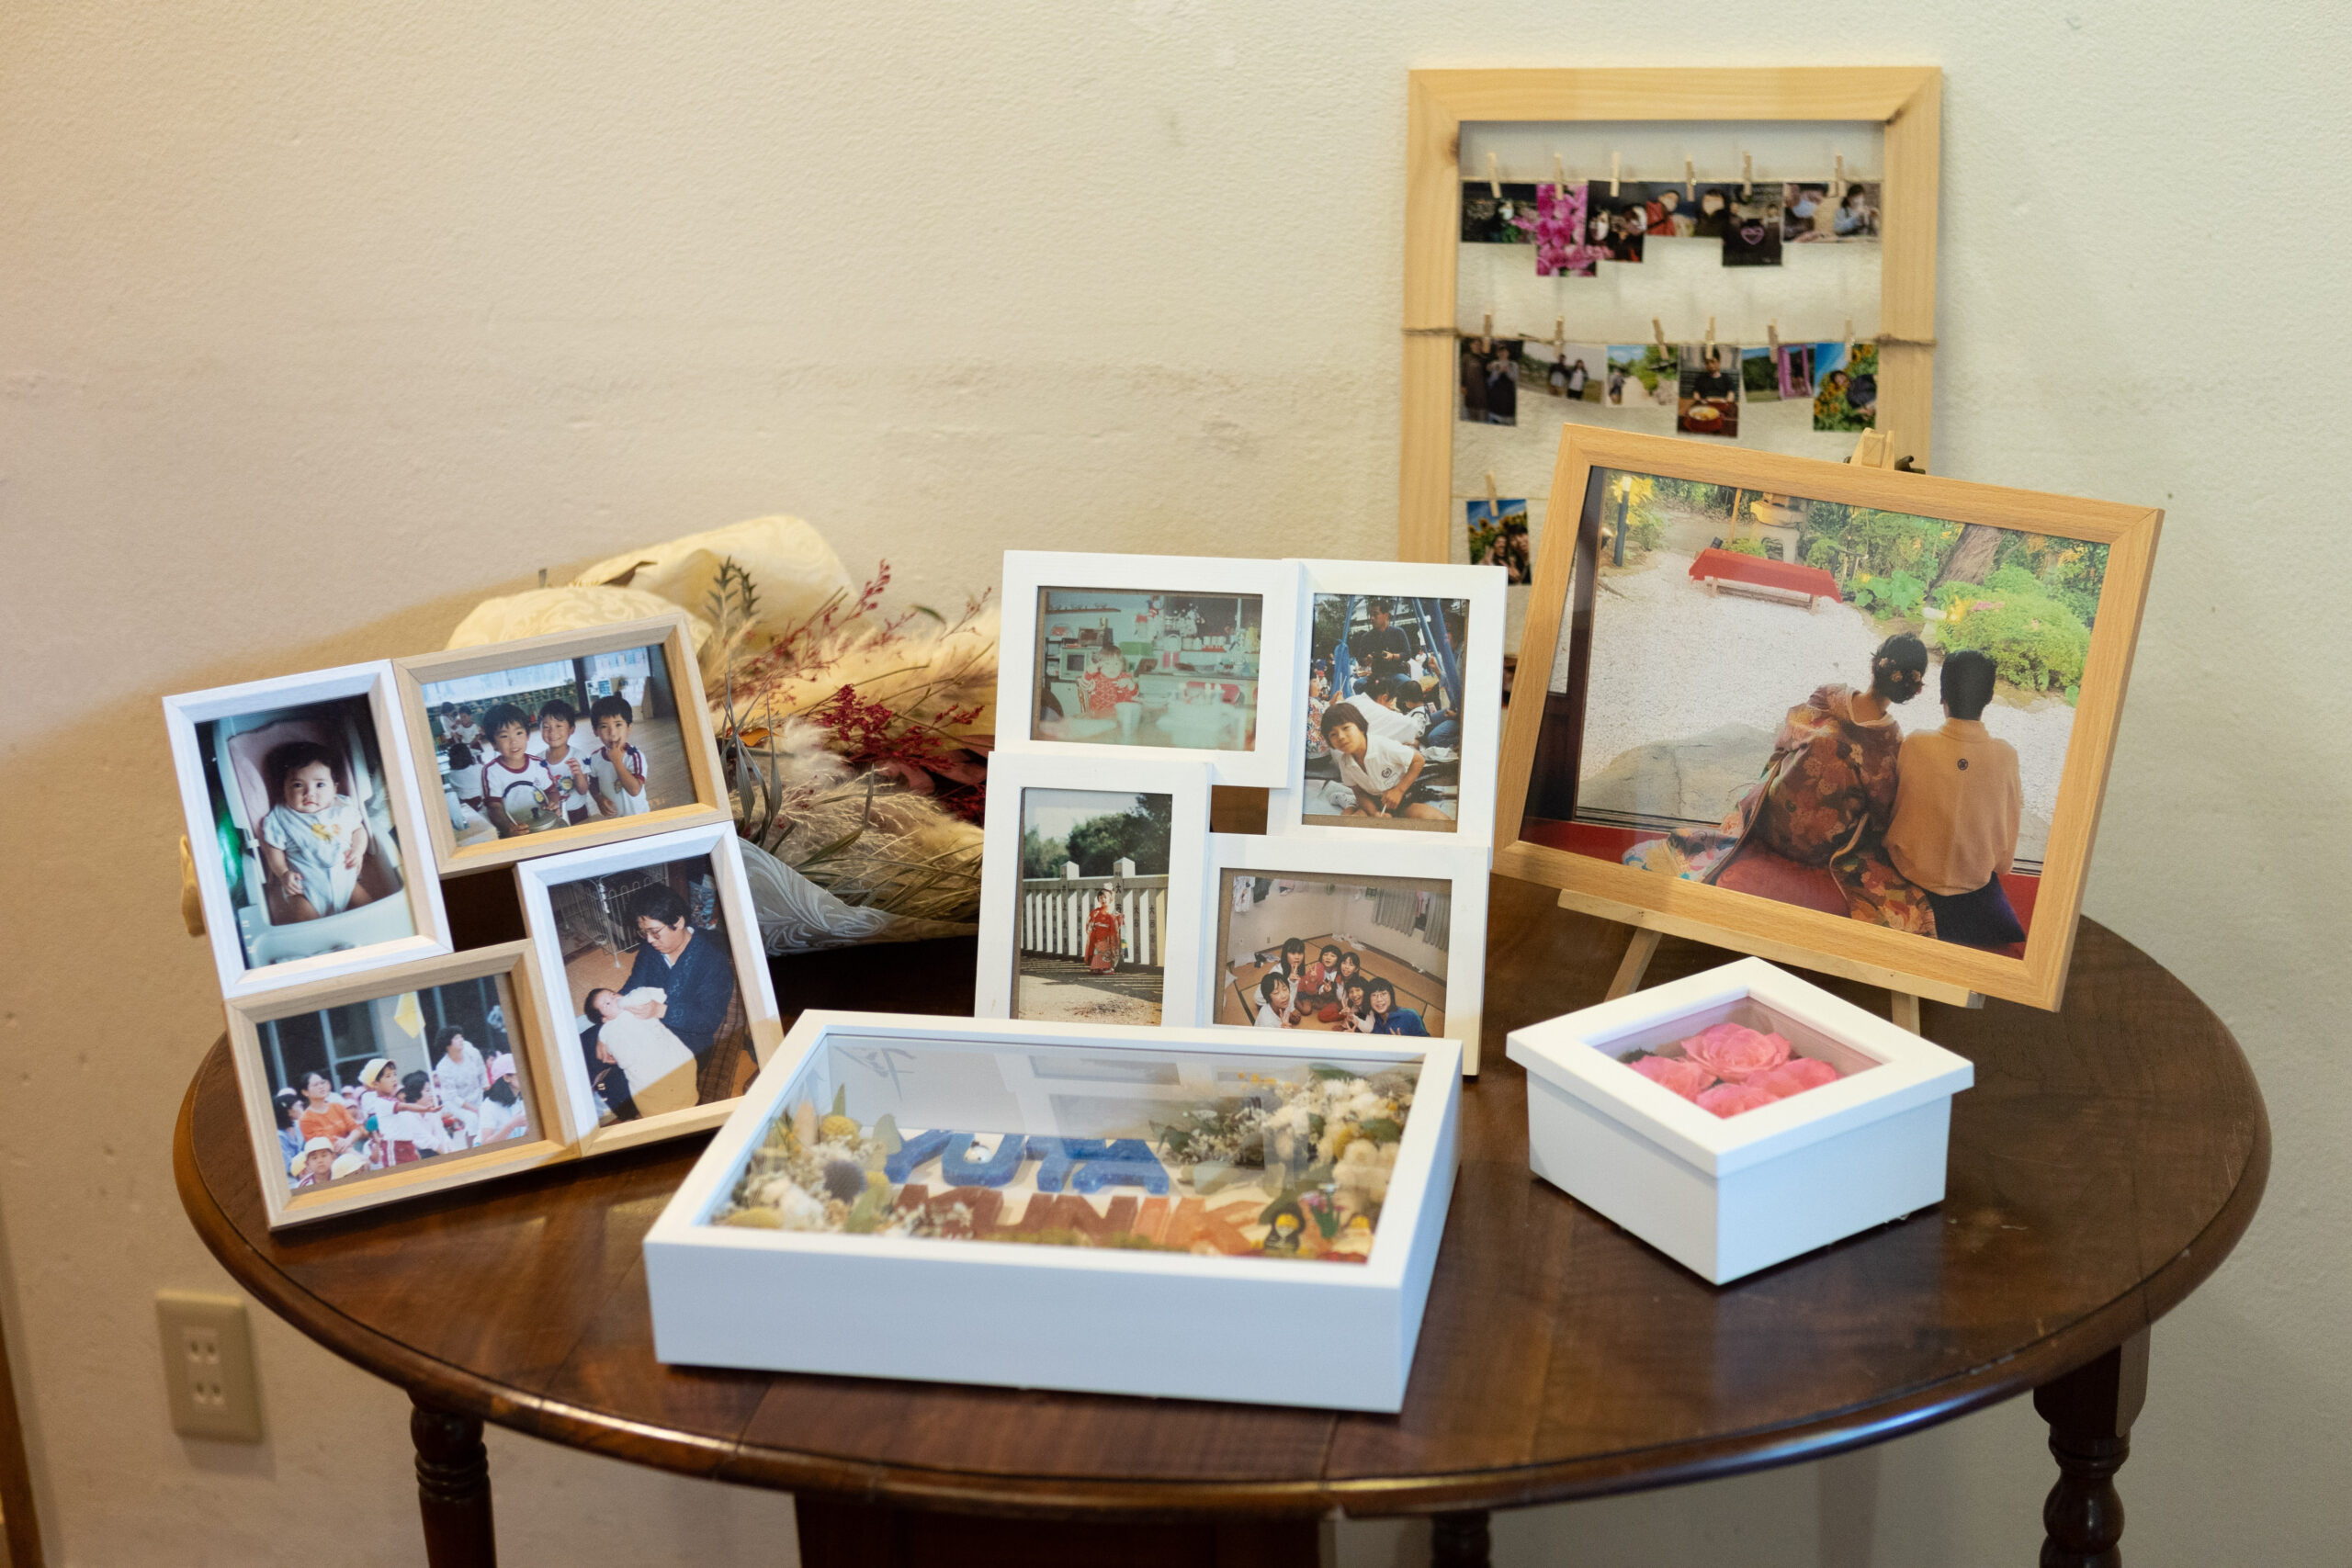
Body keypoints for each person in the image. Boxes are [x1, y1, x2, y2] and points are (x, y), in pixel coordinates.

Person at [1632, 635, 1935, 932]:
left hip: (1771, 822)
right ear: (1913, 689)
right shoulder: (1889, 740)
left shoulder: (1829, 696)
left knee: (1785, 768)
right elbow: (1881, 810)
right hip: (1818, 849)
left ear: (1875, 663)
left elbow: (1785, 741)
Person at [1885, 650, 2027, 950]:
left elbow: (1895, 810)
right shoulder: (2006, 756)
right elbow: (2005, 857)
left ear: (1942, 695)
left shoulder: (1917, 743)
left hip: (1910, 870)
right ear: (1989, 698)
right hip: (1974, 881)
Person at [616, 885, 741, 1103]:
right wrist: (611, 1015)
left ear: (679, 922)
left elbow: (708, 1021)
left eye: (655, 932)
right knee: (592, 1042)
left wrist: (662, 1011)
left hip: (689, 1042)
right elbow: (633, 986)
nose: (649, 940)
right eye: (644, 932)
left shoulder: (713, 961)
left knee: (632, 1079)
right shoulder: (650, 950)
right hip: (646, 1027)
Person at [257, 740, 377, 921]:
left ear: (334, 788)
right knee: (309, 926)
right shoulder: (281, 816)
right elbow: (273, 849)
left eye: (320, 785)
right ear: (284, 788)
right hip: (305, 890)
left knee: (371, 914)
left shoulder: (342, 808)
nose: (309, 793)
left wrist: (358, 851)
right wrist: (283, 873)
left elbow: (358, 830)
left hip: (347, 884)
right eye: (298, 785)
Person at [582, 985, 700, 1118]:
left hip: (666, 1051)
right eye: (607, 1004)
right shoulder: (610, 1029)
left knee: (678, 1072)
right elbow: (622, 1056)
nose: (614, 1000)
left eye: (613, 995)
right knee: (655, 1092)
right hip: (645, 1066)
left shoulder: (634, 1004)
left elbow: (657, 994)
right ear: (605, 1018)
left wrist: (638, 996)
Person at [1319, 703, 1448, 822]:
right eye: (1333, 734)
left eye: (1346, 728)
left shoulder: (1383, 746)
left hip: (1405, 795)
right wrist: (1375, 813)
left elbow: (1419, 760)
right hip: (1375, 801)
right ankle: (1351, 804)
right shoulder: (1345, 763)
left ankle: (1352, 804)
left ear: (1360, 727)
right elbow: (1359, 793)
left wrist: (1398, 791)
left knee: (1437, 820)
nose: (1341, 737)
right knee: (1352, 820)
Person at [477, 704, 561, 837]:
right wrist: (508, 828)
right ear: (493, 744)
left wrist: (553, 803)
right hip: (514, 831)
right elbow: (494, 807)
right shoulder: (491, 771)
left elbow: (552, 791)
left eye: (519, 733)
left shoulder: (538, 764)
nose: (513, 742)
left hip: (541, 827)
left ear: (527, 736)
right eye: (504, 736)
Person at [583, 694, 652, 818]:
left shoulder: (634, 756)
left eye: (618, 725)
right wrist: (598, 799)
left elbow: (634, 790)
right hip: (614, 820)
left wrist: (617, 761)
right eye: (604, 726)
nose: (612, 733)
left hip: (639, 817)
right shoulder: (595, 758)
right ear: (595, 731)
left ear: (629, 727)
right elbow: (592, 784)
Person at [536, 700, 595, 825]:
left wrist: (578, 775)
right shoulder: (537, 760)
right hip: (550, 814)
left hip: (577, 811)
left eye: (558, 726)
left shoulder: (578, 756)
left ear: (571, 729)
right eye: (546, 727)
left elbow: (583, 790)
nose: (552, 732)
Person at [430, 1025, 489, 1143]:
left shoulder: (472, 1053)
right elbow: (453, 1097)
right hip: (455, 1102)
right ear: (447, 1044)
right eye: (456, 1038)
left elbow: (482, 1074)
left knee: (487, 1118)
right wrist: (475, 1110)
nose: (461, 1040)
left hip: (477, 1095)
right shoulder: (443, 1067)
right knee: (472, 1119)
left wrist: (487, 1094)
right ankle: (473, 1150)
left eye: (461, 1037)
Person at [294, 1070, 366, 1157]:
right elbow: (326, 1143)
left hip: (351, 1149)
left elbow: (356, 1128)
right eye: (315, 1085)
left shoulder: (337, 1107)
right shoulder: (306, 1119)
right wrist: (356, 1155)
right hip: (330, 1159)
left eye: (322, 1083)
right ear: (305, 1092)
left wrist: (348, 1140)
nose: (321, 1087)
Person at [1356, 602, 1416, 687]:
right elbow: (1360, 659)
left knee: (1409, 684)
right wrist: (1367, 660)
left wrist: (1392, 656)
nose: (1371, 618)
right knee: (1358, 684)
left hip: (1396, 674)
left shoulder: (1398, 632)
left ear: (1386, 615)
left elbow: (1408, 654)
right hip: (1376, 676)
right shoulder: (1366, 637)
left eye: (1375, 614)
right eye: (1370, 615)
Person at [1364, 977, 1431, 1036]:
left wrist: (1402, 1044)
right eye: (1374, 995)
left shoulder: (1410, 1015)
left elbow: (1428, 1044)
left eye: (1383, 994)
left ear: (1391, 996)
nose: (1379, 999)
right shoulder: (1373, 1020)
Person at [1085, 887, 1125, 974]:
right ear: (1098, 899)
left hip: (1108, 937)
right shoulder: (1095, 912)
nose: (1103, 899)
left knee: (1107, 953)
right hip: (1098, 936)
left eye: (1105, 897)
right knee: (1097, 952)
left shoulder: (1113, 912)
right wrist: (1092, 929)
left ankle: (1107, 968)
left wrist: (1120, 918)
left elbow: (1118, 923)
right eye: (1101, 898)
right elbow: (1089, 922)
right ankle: (1097, 967)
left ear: (1110, 899)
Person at [477, 1078, 529, 1144]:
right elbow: (485, 1143)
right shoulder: (489, 1105)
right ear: (507, 1078)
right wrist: (512, 1125)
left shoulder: (521, 1100)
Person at [1482, 346, 1517, 425]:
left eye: (1505, 351)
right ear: (1497, 354)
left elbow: (1515, 379)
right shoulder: (1494, 364)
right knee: (1494, 421)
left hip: (1509, 398)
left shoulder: (1514, 365)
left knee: (1507, 422)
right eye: (1500, 351)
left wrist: (1508, 372)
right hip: (1496, 397)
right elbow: (1490, 381)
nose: (1502, 353)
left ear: (1508, 353)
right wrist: (1498, 372)